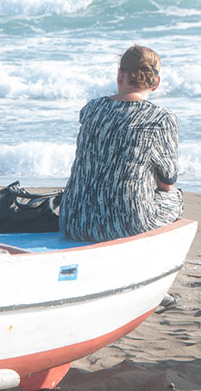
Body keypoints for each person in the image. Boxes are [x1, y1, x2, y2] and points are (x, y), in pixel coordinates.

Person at [57, 45, 183, 243]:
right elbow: (167, 184)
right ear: (156, 82)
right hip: (127, 225)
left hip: (75, 221)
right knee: (176, 197)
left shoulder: (92, 109)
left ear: (120, 75)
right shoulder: (161, 119)